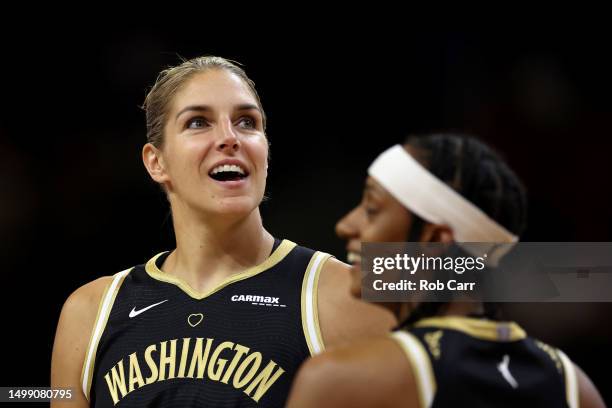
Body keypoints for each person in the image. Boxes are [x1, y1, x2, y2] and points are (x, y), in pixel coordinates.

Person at [50, 56, 395, 407]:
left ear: (265, 150)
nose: (229, 137)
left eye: (247, 122)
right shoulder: (90, 310)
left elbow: (452, 269)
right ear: (157, 161)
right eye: (199, 122)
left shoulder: (336, 290)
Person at [287, 134, 606, 408]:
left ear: (436, 241)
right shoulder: (573, 386)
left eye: (371, 209)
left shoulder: (341, 380)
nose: (345, 226)